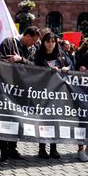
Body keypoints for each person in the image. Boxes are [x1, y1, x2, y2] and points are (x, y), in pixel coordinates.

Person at [0, 26, 40, 162]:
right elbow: (1, 62)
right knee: (5, 117)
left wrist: (21, 59)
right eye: (32, 41)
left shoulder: (32, 49)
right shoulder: (8, 43)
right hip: (7, 87)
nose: (33, 44)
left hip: (22, 89)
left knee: (17, 118)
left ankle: (13, 147)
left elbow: (34, 66)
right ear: (27, 36)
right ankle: (3, 150)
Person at [34, 32, 70, 160]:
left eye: (53, 41)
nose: (50, 44)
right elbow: (34, 70)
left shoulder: (61, 55)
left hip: (57, 93)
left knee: (55, 120)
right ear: (44, 42)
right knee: (43, 120)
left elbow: (72, 65)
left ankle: (54, 148)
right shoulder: (38, 55)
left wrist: (67, 68)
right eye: (48, 41)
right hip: (43, 93)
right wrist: (48, 71)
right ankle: (42, 148)